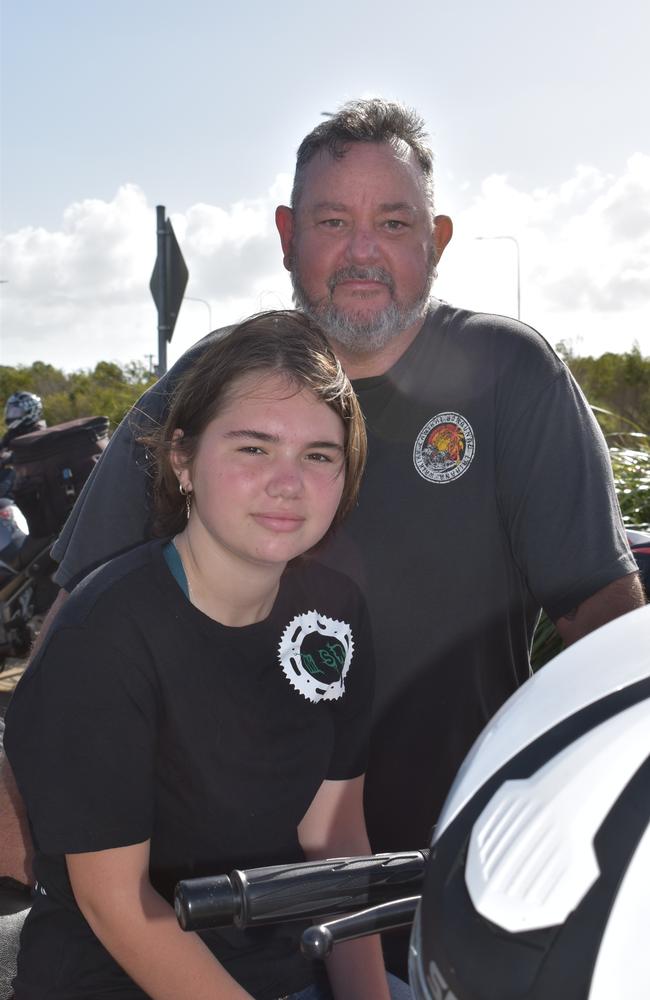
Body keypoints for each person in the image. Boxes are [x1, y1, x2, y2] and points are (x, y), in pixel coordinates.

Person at [1, 99, 645, 975]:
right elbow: (85, 600)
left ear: (438, 237)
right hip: (210, 906)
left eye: (393, 221)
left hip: (460, 880)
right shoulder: (212, 379)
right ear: (284, 235)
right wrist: (17, 785)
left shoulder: (512, 376)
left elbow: (604, 619)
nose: (362, 250)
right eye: (332, 221)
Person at [4, 312, 405, 1000]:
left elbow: (333, 839)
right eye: (253, 449)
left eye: (319, 454)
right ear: (182, 461)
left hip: (282, 968)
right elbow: (118, 907)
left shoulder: (334, 613)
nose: (289, 482)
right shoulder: (106, 635)